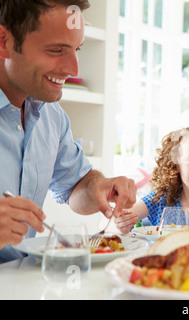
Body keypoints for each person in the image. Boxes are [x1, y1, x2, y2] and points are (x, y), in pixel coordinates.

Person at [0, 0, 136, 263]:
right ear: (4, 41)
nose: (73, 69)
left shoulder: (51, 115)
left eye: (76, 49)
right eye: (56, 50)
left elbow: (76, 187)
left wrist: (98, 186)